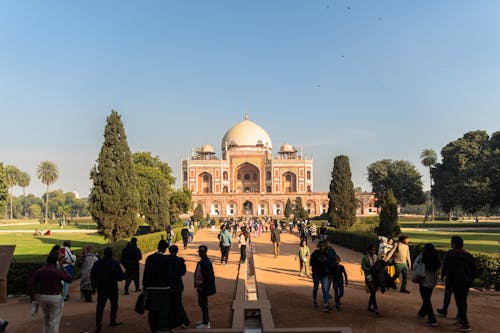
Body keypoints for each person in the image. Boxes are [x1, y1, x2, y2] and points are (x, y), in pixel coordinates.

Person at [29, 253, 71, 333]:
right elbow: (68, 279)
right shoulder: (57, 271)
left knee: (46, 317)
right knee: (54, 320)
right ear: (56, 262)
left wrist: (32, 296)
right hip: (54, 297)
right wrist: (62, 267)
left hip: (41, 297)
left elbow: (31, 283)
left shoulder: (40, 270)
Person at [442, 236, 477, 332]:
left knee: (459, 302)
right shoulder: (468, 255)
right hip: (465, 282)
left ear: (453, 244)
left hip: (455, 282)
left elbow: (447, 267)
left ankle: (465, 324)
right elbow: (474, 270)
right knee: (463, 301)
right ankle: (461, 320)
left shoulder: (451, 254)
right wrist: (470, 279)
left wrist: (443, 276)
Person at [91, 247, 124, 333]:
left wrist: (93, 288)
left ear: (104, 253)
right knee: (114, 305)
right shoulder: (115, 263)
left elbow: (93, 276)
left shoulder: (98, 263)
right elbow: (121, 277)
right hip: (112, 287)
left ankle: (98, 324)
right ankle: (112, 321)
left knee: (100, 307)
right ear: (111, 254)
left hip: (101, 288)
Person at [142, 239, 172, 333]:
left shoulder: (149, 258)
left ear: (158, 247)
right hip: (164, 289)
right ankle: (161, 329)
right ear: (165, 249)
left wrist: (145, 287)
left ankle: (153, 329)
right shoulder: (167, 259)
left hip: (151, 288)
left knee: (152, 311)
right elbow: (169, 274)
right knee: (163, 311)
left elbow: (146, 273)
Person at [414, 243, 441, 327]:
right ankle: (422, 313)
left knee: (426, 299)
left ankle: (432, 319)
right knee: (427, 298)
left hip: (424, 280)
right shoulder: (436, 258)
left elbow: (415, 266)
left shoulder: (422, 256)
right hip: (432, 281)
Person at [166, 245, 190, 330]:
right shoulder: (180, 260)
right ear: (176, 251)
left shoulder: (166, 259)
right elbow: (182, 272)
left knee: (170, 305)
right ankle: (183, 322)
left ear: (169, 251)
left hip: (168, 285)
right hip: (178, 285)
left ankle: (171, 324)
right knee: (178, 303)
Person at [194, 245, 216, 329]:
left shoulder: (206, 262)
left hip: (203, 287)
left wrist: (202, 287)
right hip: (201, 286)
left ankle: (206, 323)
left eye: (201, 252)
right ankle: (204, 320)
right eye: (199, 252)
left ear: (205, 252)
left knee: (203, 304)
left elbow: (208, 277)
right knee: (202, 303)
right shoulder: (202, 261)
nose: (200, 253)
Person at [310, 241, 331, 312]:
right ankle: (314, 299)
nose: (322, 247)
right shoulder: (315, 254)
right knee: (316, 287)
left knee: (325, 289)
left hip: (324, 274)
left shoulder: (327, 254)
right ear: (318, 246)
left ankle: (326, 304)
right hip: (316, 273)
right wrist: (318, 261)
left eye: (323, 246)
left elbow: (329, 265)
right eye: (321, 246)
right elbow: (311, 263)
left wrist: (326, 261)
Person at [361, 244, 379, 316]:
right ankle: (375, 308)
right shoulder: (365, 258)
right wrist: (370, 269)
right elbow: (363, 267)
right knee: (373, 291)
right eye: (372, 250)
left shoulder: (376, 257)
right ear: (369, 250)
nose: (373, 251)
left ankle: (369, 306)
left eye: (374, 250)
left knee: (373, 292)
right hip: (368, 276)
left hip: (375, 277)